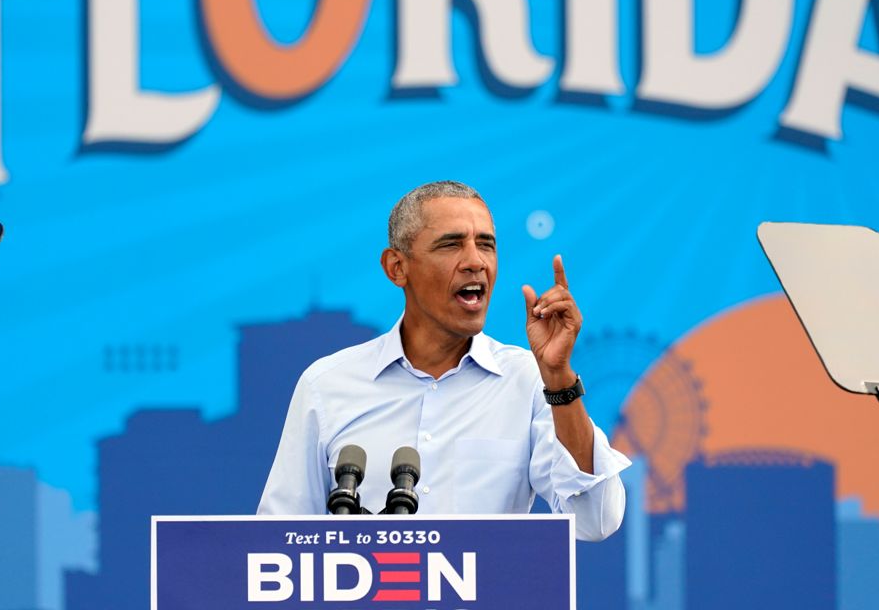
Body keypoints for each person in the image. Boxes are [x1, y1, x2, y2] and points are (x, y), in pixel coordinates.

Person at [257, 181, 630, 541]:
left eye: (486, 245)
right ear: (396, 268)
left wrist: (560, 379)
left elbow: (596, 519)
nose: (475, 262)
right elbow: (276, 543)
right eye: (451, 245)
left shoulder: (530, 382)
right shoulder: (327, 385)